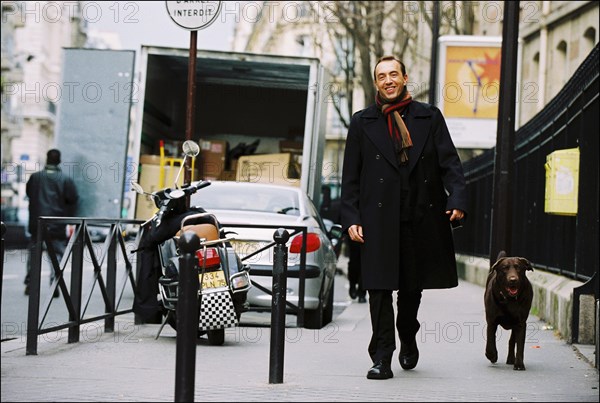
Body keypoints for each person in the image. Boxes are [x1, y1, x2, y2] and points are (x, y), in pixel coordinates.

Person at [340, 56, 467, 380]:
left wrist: (457, 199)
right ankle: (382, 357)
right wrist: (352, 216)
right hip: (377, 219)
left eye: (393, 74)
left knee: (411, 289)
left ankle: (407, 333)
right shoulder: (362, 122)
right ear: (376, 83)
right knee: (378, 289)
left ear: (405, 77)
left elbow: (449, 163)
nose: (388, 80)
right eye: (381, 76)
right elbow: (351, 176)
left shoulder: (429, 117)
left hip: (419, 216)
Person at [24, 149, 79, 297]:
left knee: (34, 254)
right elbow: (73, 199)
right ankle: (54, 283)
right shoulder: (65, 179)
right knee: (56, 255)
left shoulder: (35, 178)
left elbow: (29, 194)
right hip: (57, 224)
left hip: (37, 223)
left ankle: (30, 283)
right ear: (59, 161)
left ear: (47, 159)